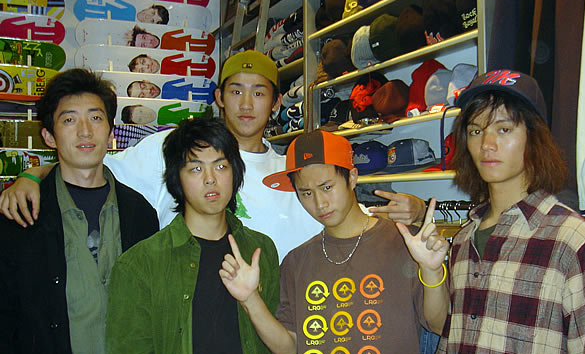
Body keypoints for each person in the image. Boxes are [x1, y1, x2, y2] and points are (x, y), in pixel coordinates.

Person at [0, 50, 426, 262]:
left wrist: (416, 212)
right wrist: (33, 175)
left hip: (274, 321)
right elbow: (89, 163)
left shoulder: (292, 171)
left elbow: (349, 219)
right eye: (236, 91)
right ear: (220, 97)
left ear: (277, 102)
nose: (246, 104)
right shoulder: (175, 148)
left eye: (259, 93)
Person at [219, 129, 450, 354]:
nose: (319, 203)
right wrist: (250, 300)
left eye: (327, 187)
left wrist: (432, 270)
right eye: (306, 193)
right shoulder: (297, 262)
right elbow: (288, 350)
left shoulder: (404, 243)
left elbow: (438, 324)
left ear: (352, 178)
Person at [421, 70, 585, 354]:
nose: (487, 144)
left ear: (533, 137)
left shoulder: (574, 242)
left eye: (504, 129)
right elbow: (451, 346)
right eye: (476, 131)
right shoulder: (465, 239)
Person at [105, 117, 293, 354]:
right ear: (176, 179)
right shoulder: (140, 264)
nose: (210, 179)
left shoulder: (260, 250)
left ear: (236, 172)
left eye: (221, 166)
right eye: (195, 168)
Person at [0, 69, 159, 354]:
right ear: (49, 136)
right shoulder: (20, 217)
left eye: (96, 118)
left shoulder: (140, 214)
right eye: (69, 120)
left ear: (111, 132)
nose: (85, 131)